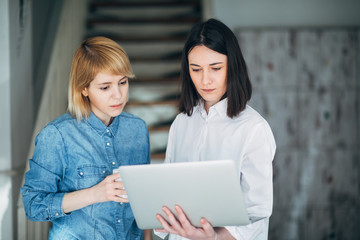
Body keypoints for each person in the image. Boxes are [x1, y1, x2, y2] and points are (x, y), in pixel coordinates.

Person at [154, 18, 276, 240]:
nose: (205, 80)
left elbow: (257, 213)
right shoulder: (181, 123)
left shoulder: (253, 129)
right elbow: (169, 192)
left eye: (216, 68)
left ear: (233, 66)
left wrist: (211, 238)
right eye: (196, 69)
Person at [21, 36, 152, 240]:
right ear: (84, 89)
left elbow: (143, 200)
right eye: (105, 87)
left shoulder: (137, 129)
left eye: (123, 82)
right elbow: (33, 205)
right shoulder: (57, 136)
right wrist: (95, 194)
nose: (118, 95)